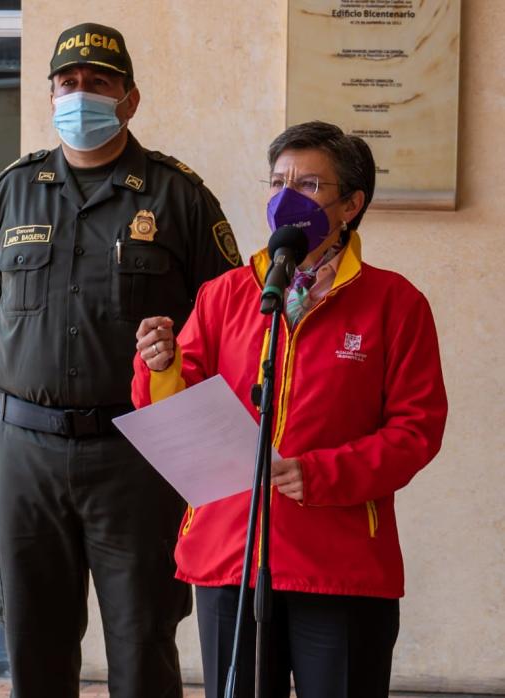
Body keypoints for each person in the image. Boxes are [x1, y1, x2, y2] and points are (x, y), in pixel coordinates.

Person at [0, 23, 241, 697]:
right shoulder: (11, 190)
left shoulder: (178, 196)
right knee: (31, 639)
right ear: (51, 92)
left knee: (143, 638)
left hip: (139, 451)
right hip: (25, 449)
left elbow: (230, 321)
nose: (81, 94)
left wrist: (178, 354)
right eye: (69, 82)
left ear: (131, 98)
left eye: (99, 82)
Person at [133, 121, 448, 698]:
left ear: (350, 204)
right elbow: (181, 410)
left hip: (342, 561)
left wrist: (322, 474)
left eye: (308, 184)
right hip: (232, 551)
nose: (286, 197)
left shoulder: (395, 304)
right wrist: (160, 366)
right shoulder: (225, 294)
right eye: (277, 181)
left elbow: (416, 430)